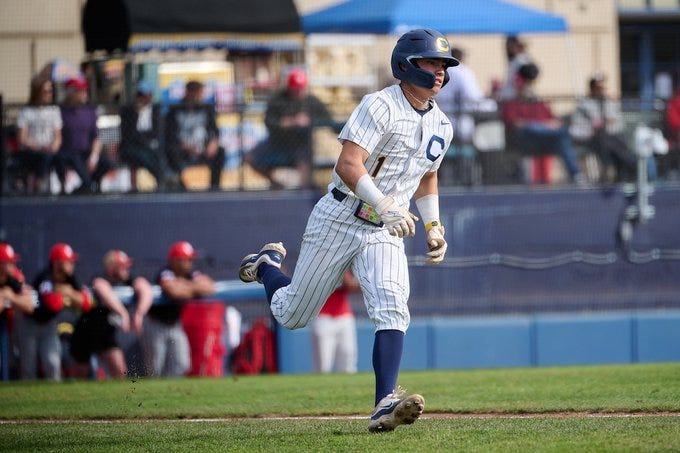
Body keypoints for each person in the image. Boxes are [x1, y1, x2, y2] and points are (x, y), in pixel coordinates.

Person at [238, 28, 454, 432]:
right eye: (431, 62)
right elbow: (348, 164)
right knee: (291, 314)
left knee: (393, 305)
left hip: (385, 229)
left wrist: (433, 225)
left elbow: (428, 177)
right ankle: (267, 266)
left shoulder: (443, 124)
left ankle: (384, 403)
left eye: (443, 64)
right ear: (406, 64)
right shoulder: (379, 105)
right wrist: (385, 204)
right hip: (341, 215)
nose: (439, 71)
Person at [246, 68, 335, 189]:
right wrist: (290, 122)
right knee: (250, 157)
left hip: (301, 146)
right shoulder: (279, 100)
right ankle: (276, 183)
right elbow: (269, 121)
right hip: (277, 144)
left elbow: (328, 121)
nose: (299, 92)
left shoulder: (312, 101)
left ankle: (306, 191)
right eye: (296, 89)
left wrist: (310, 122)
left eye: (301, 88)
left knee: (304, 161)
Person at [69, 249, 153, 379]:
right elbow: (102, 288)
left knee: (120, 371)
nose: (126, 270)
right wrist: (123, 313)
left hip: (105, 334)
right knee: (80, 373)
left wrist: (139, 314)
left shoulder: (128, 280)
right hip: (86, 331)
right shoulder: (100, 280)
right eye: (122, 266)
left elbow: (144, 287)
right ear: (111, 268)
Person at [500, 63, 585, 185]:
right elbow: (516, 124)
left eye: (530, 84)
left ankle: (576, 175)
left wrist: (549, 125)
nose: (528, 88)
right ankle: (570, 131)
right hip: (525, 142)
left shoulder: (539, 103)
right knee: (533, 128)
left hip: (545, 141)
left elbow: (555, 121)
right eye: (525, 84)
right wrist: (542, 125)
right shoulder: (512, 102)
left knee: (562, 139)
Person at [17, 243, 92, 380]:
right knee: (28, 366)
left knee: (52, 362)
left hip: (49, 324)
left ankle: (54, 392)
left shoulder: (70, 278)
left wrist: (65, 292)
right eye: (68, 261)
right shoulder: (45, 277)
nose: (72, 264)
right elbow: (53, 305)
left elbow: (86, 303)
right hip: (30, 324)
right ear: (57, 263)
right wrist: (70, 296)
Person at [141, 241, 215, 377]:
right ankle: (151, 389)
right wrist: (193, 288)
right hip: (156, 324)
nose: (190, 263)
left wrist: (183, 285)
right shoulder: (166, 272)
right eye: (187, 259)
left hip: (175, 324)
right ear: (176, 260)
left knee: (182, 364)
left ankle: (169, 388)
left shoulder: (190, 274)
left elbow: (210, 287)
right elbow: (174, 292)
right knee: (155, 369)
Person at [570, 73, 649, 183]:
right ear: (592, 88)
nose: (602, 90)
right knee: (606, 142)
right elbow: (577, 123)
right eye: (599, 88)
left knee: (614, 143)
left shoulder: (610, 103)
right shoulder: (584, 104)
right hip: (593, 138)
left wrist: (607, 124)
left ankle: (619, 172)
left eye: (603, 87)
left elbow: (619, 123)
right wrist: (595, 125)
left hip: (613, 136)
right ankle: (624, 167)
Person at [164, 80, 225, 191]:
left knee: (220, 151)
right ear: (188, 92)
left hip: (203, 147)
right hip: (183, 148)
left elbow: (214, 130)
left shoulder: (206, 108)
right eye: (197, 93)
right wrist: (186, 146)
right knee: (170, 151)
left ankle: (214, 187)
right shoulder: (175, 110)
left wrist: (213, 143)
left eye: (201, 93)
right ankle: (180, 187)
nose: (200, 96)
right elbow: (170, 135)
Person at [56, 76, 113, 194]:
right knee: (70, 158)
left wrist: (94, 156)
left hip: (86, 151)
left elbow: (96, 137)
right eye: (80, 91)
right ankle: (86, 186)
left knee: (107, 163)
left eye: (85, 91)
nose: (84, 95)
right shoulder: (60, 111)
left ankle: (89, 185)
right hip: (69, 152)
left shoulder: (90, 110)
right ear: (71, 93)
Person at [15, 77, 62, 194]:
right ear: (37, 92)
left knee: (63, 157)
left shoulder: (54, 110)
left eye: (51, 91)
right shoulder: (27, 111)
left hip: (49, 150)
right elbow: (22, 138)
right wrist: (40, 147)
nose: (49, 94)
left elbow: (58, 136)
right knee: (44, 157)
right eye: (46, 91)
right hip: (32, 151)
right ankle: (38, 187)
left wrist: (53, 147)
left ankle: (64, 189)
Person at [119, 81, 167, 192]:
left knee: (159, 155)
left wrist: (149, 141)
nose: (143, 98)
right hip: (132, 146)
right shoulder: (128, 110)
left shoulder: (155, 110)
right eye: (140, 95)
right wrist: (136, 113)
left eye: (146, 95)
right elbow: (128, 134)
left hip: (150, 145)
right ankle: (161, 180)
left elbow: (157, 131)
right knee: (143, 156)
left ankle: (163, 181)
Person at [310, 270, 360, 374]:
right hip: (322, 316)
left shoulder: (345, 264)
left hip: (344, 315)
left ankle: (348, 385)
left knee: (348, 361)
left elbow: (351, 285)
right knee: (323, 365)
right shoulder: (316, 265)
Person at [0, 243, 35, 378]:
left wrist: (9, 296)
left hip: (7, 327)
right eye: (8, 263)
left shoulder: (13, 279)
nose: (13, 266)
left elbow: (31, 304)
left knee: (7, 364)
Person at [497, 35, 533, 101]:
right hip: (509, 96)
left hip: (515, 99)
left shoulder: (521, 61)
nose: (508, 47)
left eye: (511, 45)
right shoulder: (515, 60)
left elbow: (521, 83)